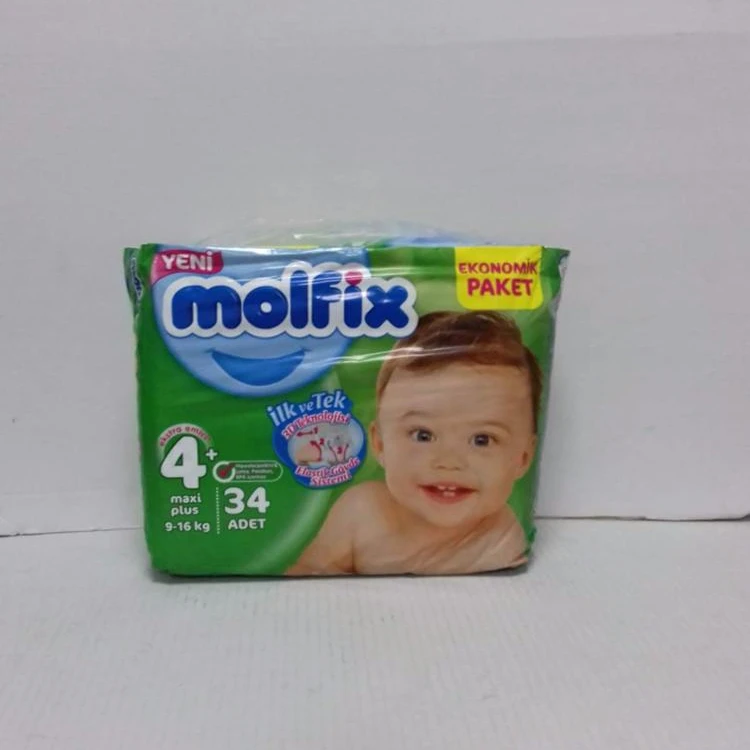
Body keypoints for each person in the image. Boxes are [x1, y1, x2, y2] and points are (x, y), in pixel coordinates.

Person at [287, 310, 542, 575]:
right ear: (380, 444)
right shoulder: (361, 511)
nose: (448, 462)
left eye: (482, 440)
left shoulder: (501, 541)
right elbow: (306, 572)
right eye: (423, 435)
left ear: (523, 458)